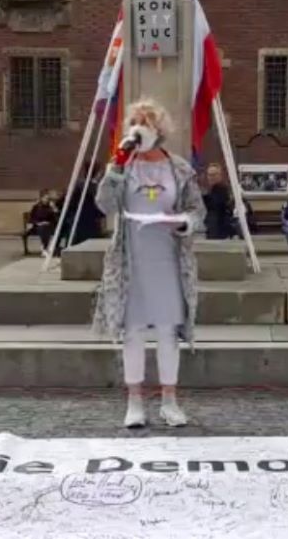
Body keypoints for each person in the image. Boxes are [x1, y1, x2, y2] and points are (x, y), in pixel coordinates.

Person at [93, 98, 206, 429]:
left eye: (146, 121)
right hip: (131, 259)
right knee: (134, 331)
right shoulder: (122, 166)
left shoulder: (180, 168)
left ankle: (170, 401)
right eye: (134, 121)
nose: (139, 127)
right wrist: (114, 168)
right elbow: (104, 205)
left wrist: (184, 222)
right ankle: (135, 402)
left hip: (169, 258)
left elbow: (197, 210)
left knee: (168, 331)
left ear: (159, 130)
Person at [203, 163, 234, 239]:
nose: (211, 177)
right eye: (209, 175)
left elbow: (217, 206)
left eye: (213, 175)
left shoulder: (222, 191)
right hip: (214, 229)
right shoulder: (212, 191)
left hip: (219, 230)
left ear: (220, 176)